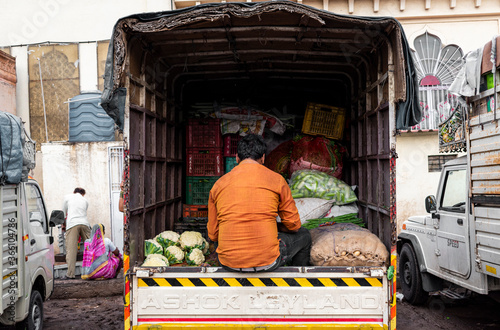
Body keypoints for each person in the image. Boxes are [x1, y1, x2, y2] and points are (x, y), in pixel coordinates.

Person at [208, 134, 311, 272]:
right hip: (268, 261)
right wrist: (274, 226)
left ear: (237, 157)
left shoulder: (218, 185)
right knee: (304, 235)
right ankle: (297, 280)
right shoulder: (277, 180)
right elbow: (294, 226)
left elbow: (213, 235)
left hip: (229, 263)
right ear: (263, 158)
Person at [61, 187, 91, 279]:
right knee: (90, 248)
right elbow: (83, 212)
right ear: (83, 194)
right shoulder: (85, 200)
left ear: (74, 192)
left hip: (72, 224)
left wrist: (63, 225)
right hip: (85, 224)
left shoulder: (67, 197)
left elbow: (63, 212)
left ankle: (70, 274)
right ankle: (92, 272)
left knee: (71, 250)